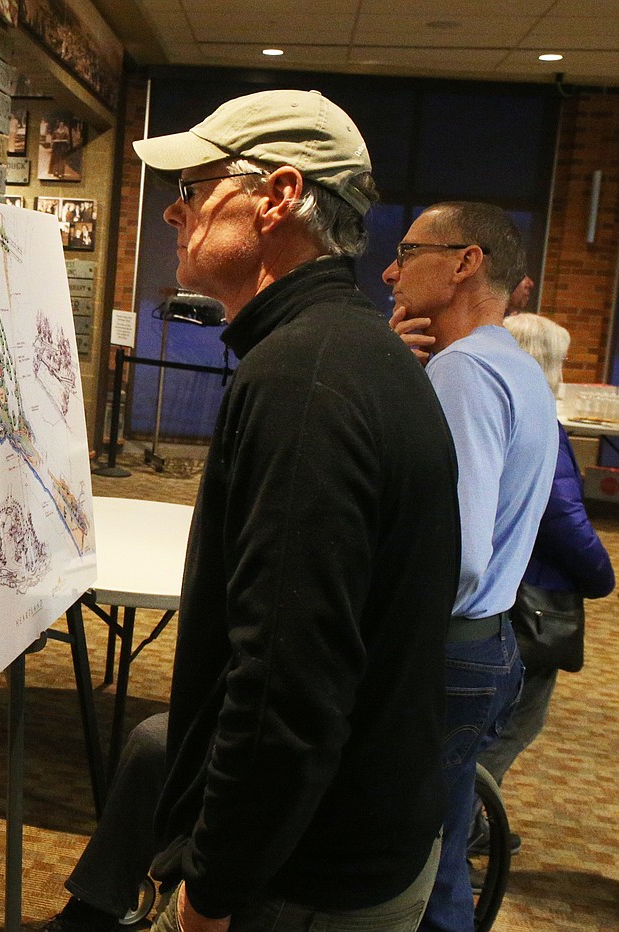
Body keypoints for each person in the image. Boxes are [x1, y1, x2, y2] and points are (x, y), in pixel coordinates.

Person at [43, 89, 460, 932]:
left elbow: (285, 686)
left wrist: (213, 889)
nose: (175, 212)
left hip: (299, 883)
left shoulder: (305, 379)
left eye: (196, 188)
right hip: (346, 853)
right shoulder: (348, 352)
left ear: (275, 196)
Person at [384, 204, 559, 932]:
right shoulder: (516, 368)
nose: (391, 271)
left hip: (445, 652)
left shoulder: (463, 370)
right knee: (442, 854)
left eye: (407, 250)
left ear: (466, 263)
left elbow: (455, 553)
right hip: (488, 644)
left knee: (406, 863)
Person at [473, 312, 614, 846]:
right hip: (531, 595)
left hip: (499, 585)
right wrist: (601, 576)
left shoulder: (490, 405)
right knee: (514, 721)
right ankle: (463, 822)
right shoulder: (539, 421)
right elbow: (563, 517)